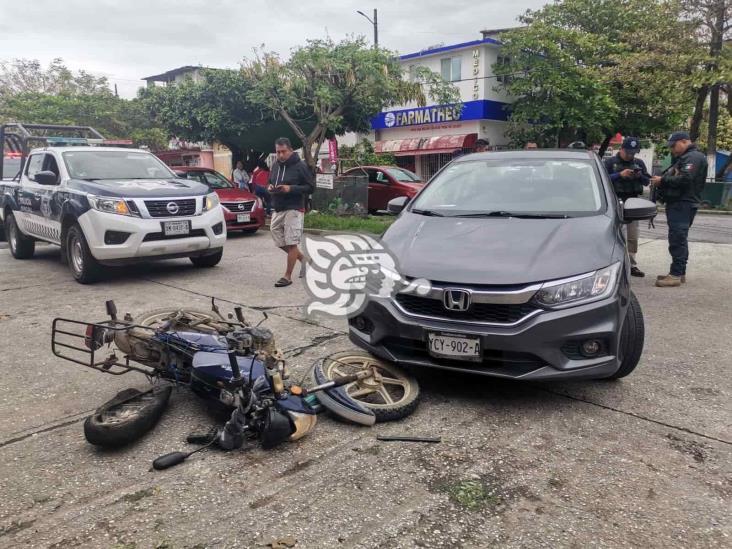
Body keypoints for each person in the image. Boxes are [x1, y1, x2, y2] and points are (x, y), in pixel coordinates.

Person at [650, 131, 708, 288]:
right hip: (679, 203)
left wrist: (663, 180)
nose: (672, 150)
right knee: (678, 238)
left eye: (673, 146)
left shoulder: (693, 157)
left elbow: (686, 178)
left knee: (678, 238)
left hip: (683, 203)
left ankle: (675, 275)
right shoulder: (685, 157)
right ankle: (678, 272)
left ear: (683, 141)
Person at [267, 137, 313, 287]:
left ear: (291, 150)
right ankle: (304, 260)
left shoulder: (300, 166)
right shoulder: (275, 165)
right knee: (278, 239)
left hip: (294, 207)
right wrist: (270, 187)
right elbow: (270, 180)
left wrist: (291, 188)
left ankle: (287, 276)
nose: (280, 155)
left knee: (291, 242)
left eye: (283, 151)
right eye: (278, 152)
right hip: (278, 207)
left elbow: (310, 187)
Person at [603, 137, 651, 277]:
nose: (631, 155)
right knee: (615, 233)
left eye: (634, 152)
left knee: (632, 234)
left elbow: (647, 181)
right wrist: (619, 175)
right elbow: (603, 180)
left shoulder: (638, 163)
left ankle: (632, 264)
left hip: (633, 201)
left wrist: (639, 175)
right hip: (615, 201)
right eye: (629, 152)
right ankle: (613, 263)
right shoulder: (610, 162)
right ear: (622, 149)